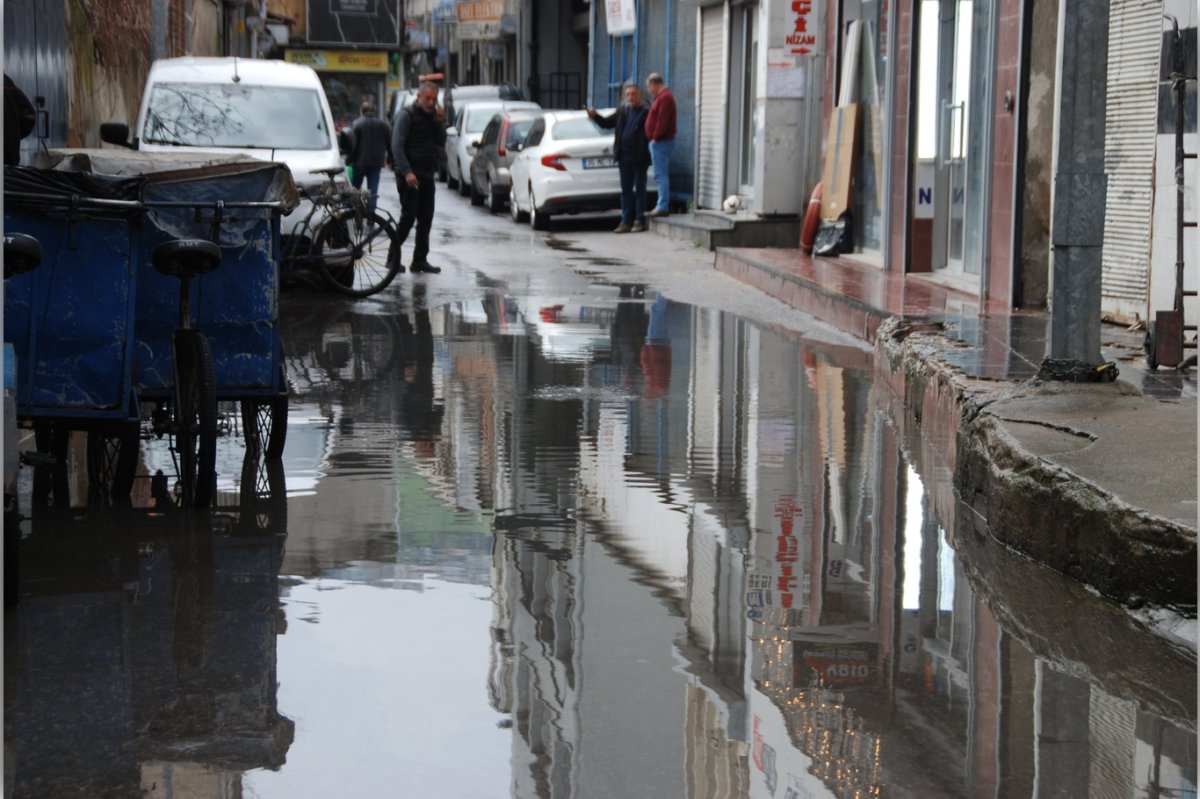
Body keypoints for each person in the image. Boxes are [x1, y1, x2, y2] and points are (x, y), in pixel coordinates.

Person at [390, 81, 446, 274]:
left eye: (434, 99)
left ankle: (419, 260)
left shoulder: (433, 117)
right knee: (408, 218)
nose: (431, 103)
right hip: (410, 176)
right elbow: (397, 146)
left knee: (426, 218)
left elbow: (440, 141)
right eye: (427, 98)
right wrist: (407, 172)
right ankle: (392, 258)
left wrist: (440, 123)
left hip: (427, 174)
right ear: (418, 97)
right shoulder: (406, 115)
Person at [588, 83, 651, 233]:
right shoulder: (623, 111)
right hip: (624, 156)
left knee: (640, 189)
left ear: (640, 95)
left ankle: (639, 220)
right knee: (626, 190)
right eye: (628, 94)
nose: (631, 97)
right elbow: (606, 123)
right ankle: (625, 221)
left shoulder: (646, 112)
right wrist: (595, 116)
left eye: (633, 94)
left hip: (639, 156)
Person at [348, 100, 391, 216]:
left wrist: (349, 160)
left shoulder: (357, 124)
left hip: (359, 162)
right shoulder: (383, 125)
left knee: (355, 189)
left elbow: (353, 145)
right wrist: (390, 159)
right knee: (372, 191)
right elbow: (389, 143)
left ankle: (353, 212)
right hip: (376, 162)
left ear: (361, 111)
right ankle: (371, 216)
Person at [643, 73, 676, 218]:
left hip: (661, 142)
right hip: (659, 142)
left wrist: (655, 137)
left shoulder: (665, 97)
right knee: (660, 174)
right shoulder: (662, 97)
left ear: (655, 84)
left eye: (649, 87)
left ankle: (662, 205)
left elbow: (662, 120)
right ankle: (661, 204)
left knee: (660, 175)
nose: (649, 90)